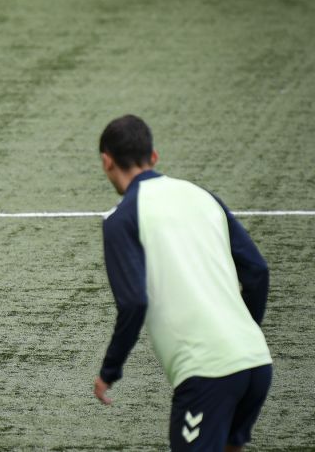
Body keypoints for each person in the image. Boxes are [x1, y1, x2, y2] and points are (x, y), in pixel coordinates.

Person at [93, 114, 272, 451]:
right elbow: (257, 271)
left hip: (208, 374)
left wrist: (109, 371)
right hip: (256, 363)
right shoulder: (203, 196)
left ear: (107, 161)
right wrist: (244, 334)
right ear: (154, 156)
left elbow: (134, 303)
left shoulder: (122, 218)